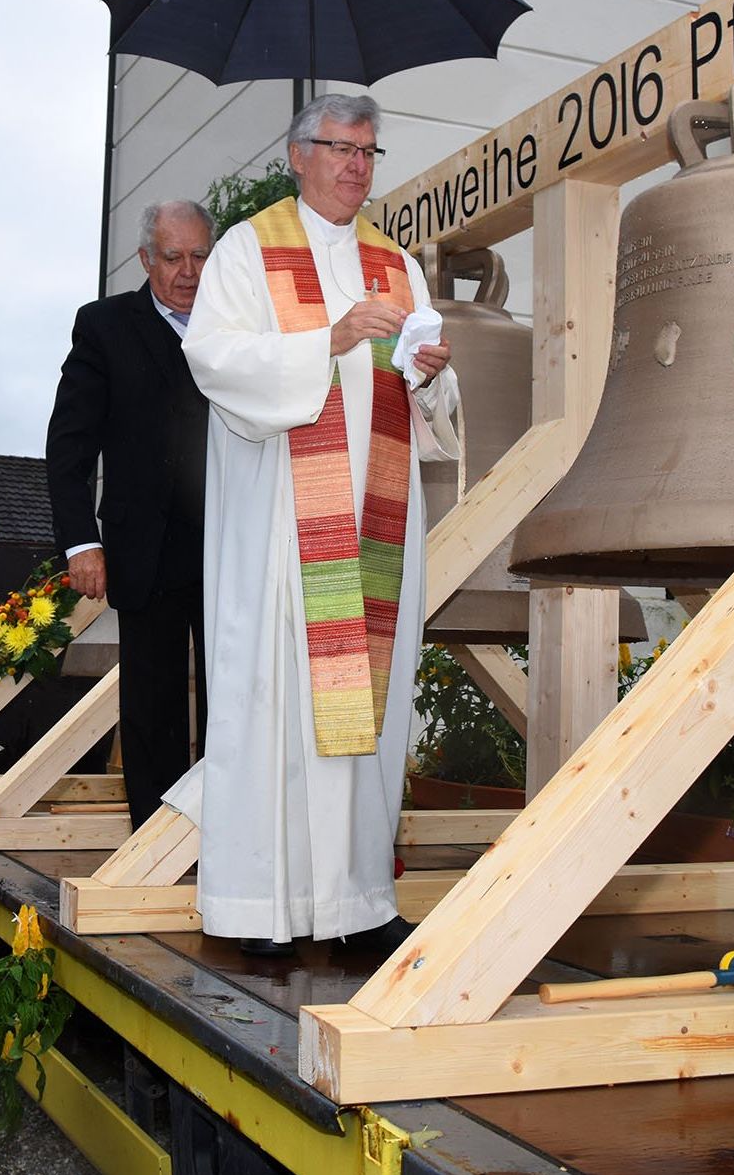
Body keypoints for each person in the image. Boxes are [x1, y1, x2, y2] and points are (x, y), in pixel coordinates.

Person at [179, 93, 457, 957]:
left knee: (364, 711)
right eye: (339, 148)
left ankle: (358, 905)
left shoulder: (395, 263)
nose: (356, 165)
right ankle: (263, 911)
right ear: (297, 155)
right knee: (277, 706)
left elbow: (428, 404)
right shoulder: (250, 250)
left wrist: (432, 374)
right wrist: (328, 341)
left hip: (374, 520)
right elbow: (212, 358)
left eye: (369, 151)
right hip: (284, 530)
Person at [46, 200, 215, 828]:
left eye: (200, 256)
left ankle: (228, 846)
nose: (189, 271)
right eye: (174, 257)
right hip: (141, 553)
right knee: (152, 709)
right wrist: (79, 544)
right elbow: (68, 447)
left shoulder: (239, 327)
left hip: (228, 546)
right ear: (146, 259)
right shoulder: (104, 326)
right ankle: (157, 844)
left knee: (233, 704)